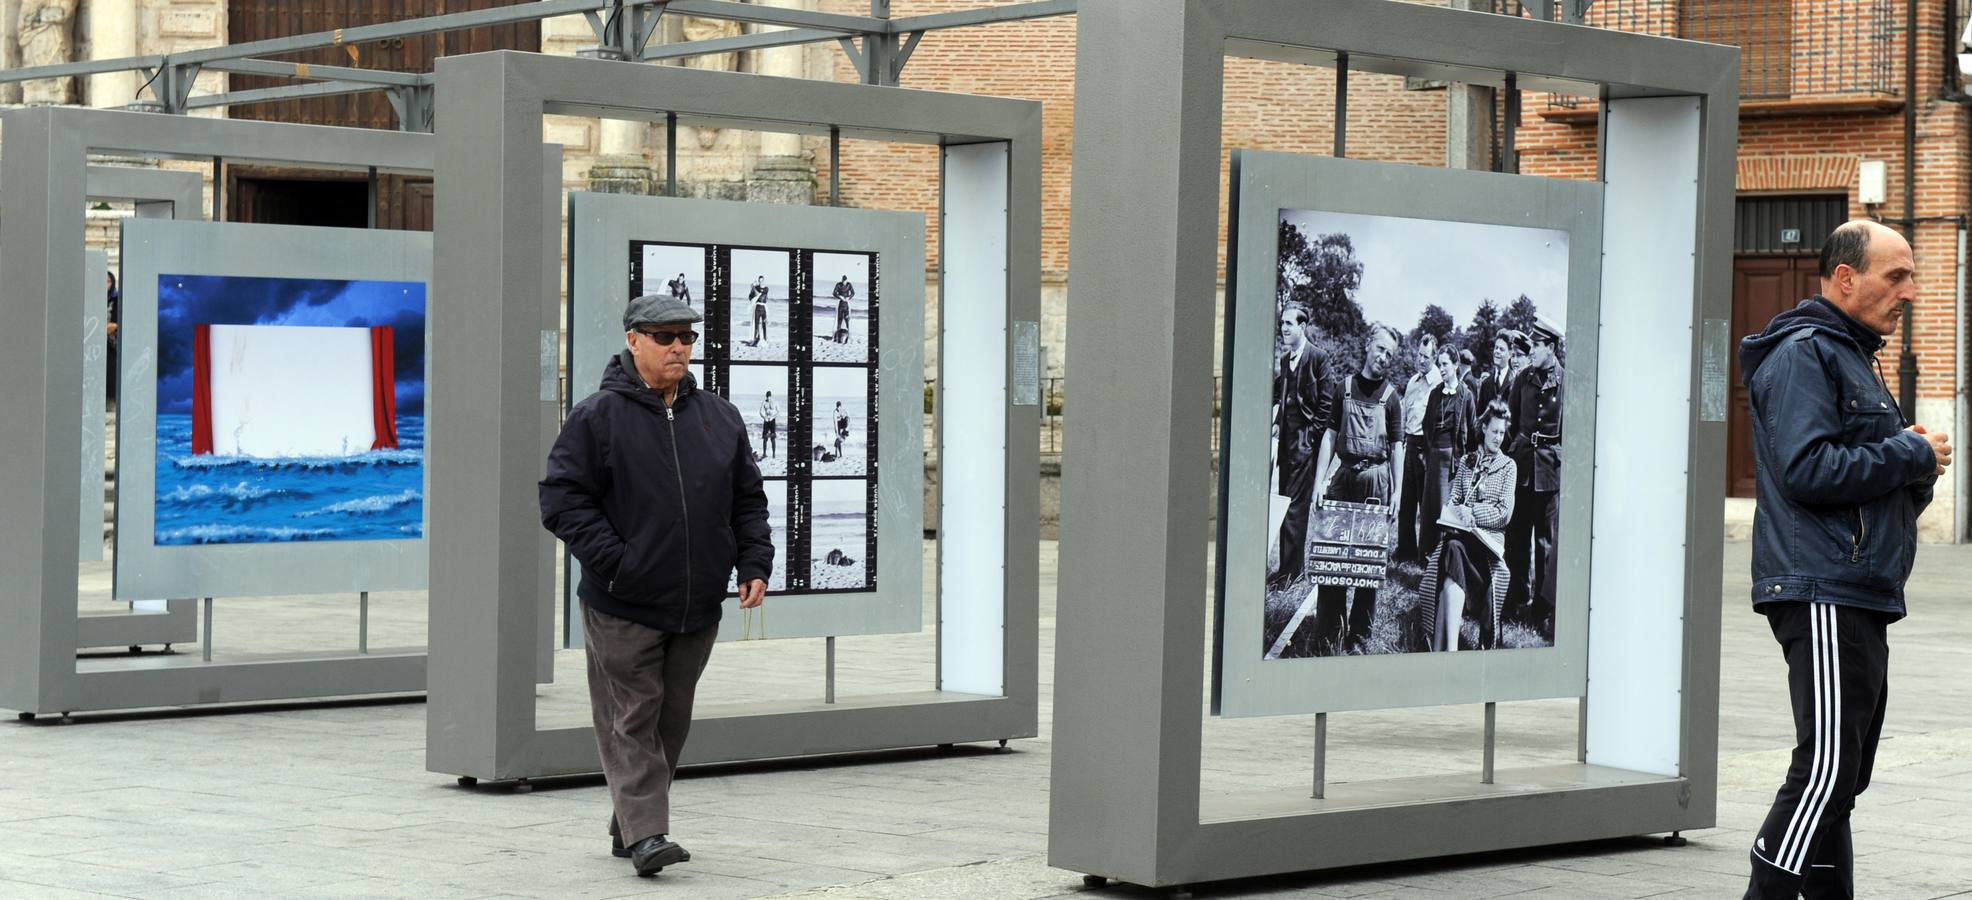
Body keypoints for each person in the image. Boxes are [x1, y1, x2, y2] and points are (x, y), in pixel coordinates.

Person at [1738, 220, 1951, 900]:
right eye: (1898, 276)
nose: (1911, 291)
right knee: (1828, 769)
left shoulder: (1855, 355)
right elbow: (1808, 470)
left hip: (1857, 585)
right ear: (1844, 278)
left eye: (1912, 276)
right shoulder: (1807, 353)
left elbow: (1868, 492)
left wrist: (1914, 470)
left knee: (1844, 774)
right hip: (1822, 586)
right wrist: (1910, 453)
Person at [538, 295, 774, 878]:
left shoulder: (720, 416)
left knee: (671, 718)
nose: (678, 347)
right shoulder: (597, 416)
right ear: (633, 340)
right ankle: (649, 837)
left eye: (686, 338)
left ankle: (630, 825)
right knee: (634, 715)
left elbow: (748, 499)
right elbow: (562, 500)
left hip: (697, 602)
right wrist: (618, 563)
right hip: (623, 601)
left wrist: (753, 563)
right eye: (665, 336)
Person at [1308, 324, 1404, 655]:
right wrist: (1321, 482)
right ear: (1367, 346)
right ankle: (1328, 633)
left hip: (1375, 482)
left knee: (1369, 561)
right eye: (1380, 349)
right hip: (1343, 479)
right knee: (1332, 557)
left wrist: (1397, 493)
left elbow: (1398, 447)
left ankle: (1359, 637)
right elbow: (1330, 437)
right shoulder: (1343, 388)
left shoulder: (1392, 398)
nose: (1384, 357)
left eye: (1390, 354)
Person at [1417, 400, 1515, 651]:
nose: (1498, 438)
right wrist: (1457, 512)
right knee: (1452, 548)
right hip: (1462, 538)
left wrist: (1472, 512)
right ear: (1483, 428)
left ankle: (1443, 650)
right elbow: (1454, 501)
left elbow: (1503, 514)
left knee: (1452, 554)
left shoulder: (1508, 467)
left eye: (1502, 433)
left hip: (1488, 548)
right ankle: (1449, 651)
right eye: (1494, 431)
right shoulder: (1467, 462)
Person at [1503, 318, 1563, 638]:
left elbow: (1570, 429)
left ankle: (1542, 610)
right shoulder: (1522, 379)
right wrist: (1514, 451)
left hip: (1550, 470)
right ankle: (1515, 598)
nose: (1531, 349)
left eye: (1537, 345)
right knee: (1516, 538)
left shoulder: (1566, 381)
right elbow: (1511, 419)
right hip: (1522, 464)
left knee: (1546, 544)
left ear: (1550, 348)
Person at [1269, 306, 1329, 590]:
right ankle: (1286, 568)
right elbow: (1279, 394)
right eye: (1282, 323)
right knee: (1284, 505)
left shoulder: (1318, 358)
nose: (1284, 328)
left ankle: (1292, 575)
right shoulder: (1284, 360)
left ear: (1303, 326)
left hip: (1305, 444)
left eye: (1290, 324)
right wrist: (1278, 422)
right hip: (1286, 445)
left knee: (1295, 508)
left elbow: (1326, 404)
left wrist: (1311, 437)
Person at [1417, 349, 1476, 558]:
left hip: (1452, 461)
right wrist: (1427, 450)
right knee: (1429, 506)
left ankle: (1443, 555)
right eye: (1439, 364)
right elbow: (1425, 425)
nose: (1441, 369)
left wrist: (1465, 461)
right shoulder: (1435, 393)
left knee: (1445, 506)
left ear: (1455, 365)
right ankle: (1426, 553)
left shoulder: (1466, 394)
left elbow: (1472, 429)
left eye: (1445, 364)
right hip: (1433, 456)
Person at [1395, 332, 1440, 563]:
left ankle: (1425, 553)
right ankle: (1405, 548)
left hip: (1428, 447)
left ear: (1435, 357)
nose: (1421, 360)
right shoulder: (1412, 382)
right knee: (1406, 501)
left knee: (1427, 505)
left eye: (1426, 356)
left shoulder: (1438, 383)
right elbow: (1405, 413)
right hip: (1410, 444)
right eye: (1419, 355)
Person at [1476, 330, 1520, 413]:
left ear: (1510, 354)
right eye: (1496, 348)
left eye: (1501, 349)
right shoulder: (1485, 383)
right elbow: (1479, 414)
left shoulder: (1516, 381)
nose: (1497, 351)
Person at [105, 270, 121, 409]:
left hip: (111, 344)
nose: (105, 285)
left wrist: (114, 326)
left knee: (110, 373)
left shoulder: (116, 299)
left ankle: (111, 403)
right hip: (94, 342)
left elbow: (117, 323)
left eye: (108, 281)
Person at [746, 275, 769, 347]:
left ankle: (765, 339)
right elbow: (750, 297)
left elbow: (761, 294)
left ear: (764, 281)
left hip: (764, 308)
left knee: (764, 324)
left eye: (762, 281)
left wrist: (753, 287)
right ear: (758, 281)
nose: (761, 282)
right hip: (757, 308)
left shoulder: (766, 288)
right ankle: (755, 339)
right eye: (759, 281)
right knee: (756, 325)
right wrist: (752, 288)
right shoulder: (756, 288)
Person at [832, 275, 855, 340]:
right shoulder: (838, 284)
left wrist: (849, 297)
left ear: (847, 280)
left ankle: (848, 335)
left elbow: (853, 293)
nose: (844, 282)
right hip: (840, 303)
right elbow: (834, 293)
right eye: (843, 281)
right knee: (839, 320)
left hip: (847, 304)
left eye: (845, 281)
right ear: (841, 280)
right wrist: (840, 297)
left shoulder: (849, 284)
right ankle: (836, 336)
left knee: (847, 320)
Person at [758, 391, 778, 459]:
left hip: (772, 420)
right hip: (766, 420)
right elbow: (760, 412)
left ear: (770, 396)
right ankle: (764, 453)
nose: (768, 398)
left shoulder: (775, 402)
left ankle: (774, 454)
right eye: (767, 396)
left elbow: (778, 411)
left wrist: (773, 417)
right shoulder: (764, 402)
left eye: (769, 396)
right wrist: (764, 417)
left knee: (773, 438)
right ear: (766, 396)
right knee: (765, 437)